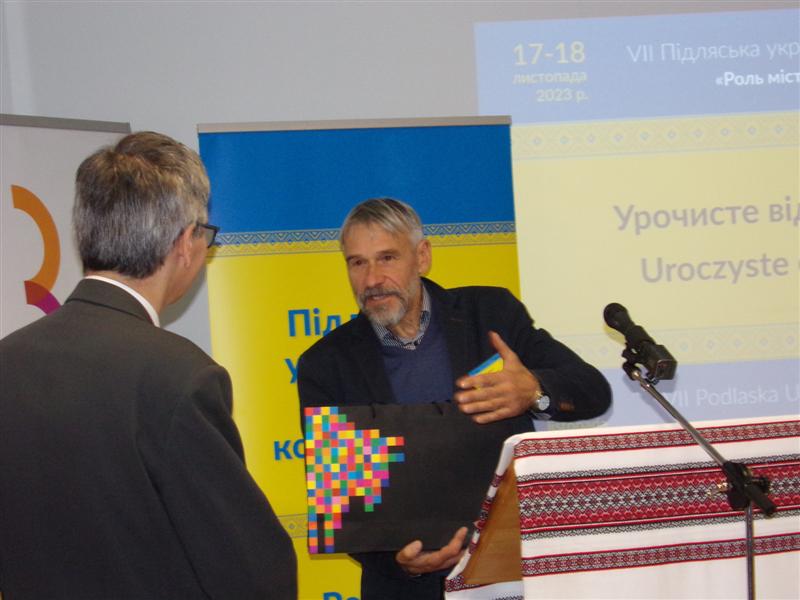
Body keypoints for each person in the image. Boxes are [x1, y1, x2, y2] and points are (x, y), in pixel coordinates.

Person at [0, 132, 297, 599]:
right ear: (185, 243)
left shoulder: (8, 362)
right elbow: (253, 575)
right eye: (205, 236)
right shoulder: (180, 377)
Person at [297, 197, 612, 600]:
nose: (372, 279)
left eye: (387, 258)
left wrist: (532, 390)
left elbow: (592, 391)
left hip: (513, 575)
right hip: (410, 590)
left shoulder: (490, 314)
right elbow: (346, 504)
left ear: (422, 256)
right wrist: (400, 562)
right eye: (357, 263)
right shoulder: (325, 365)